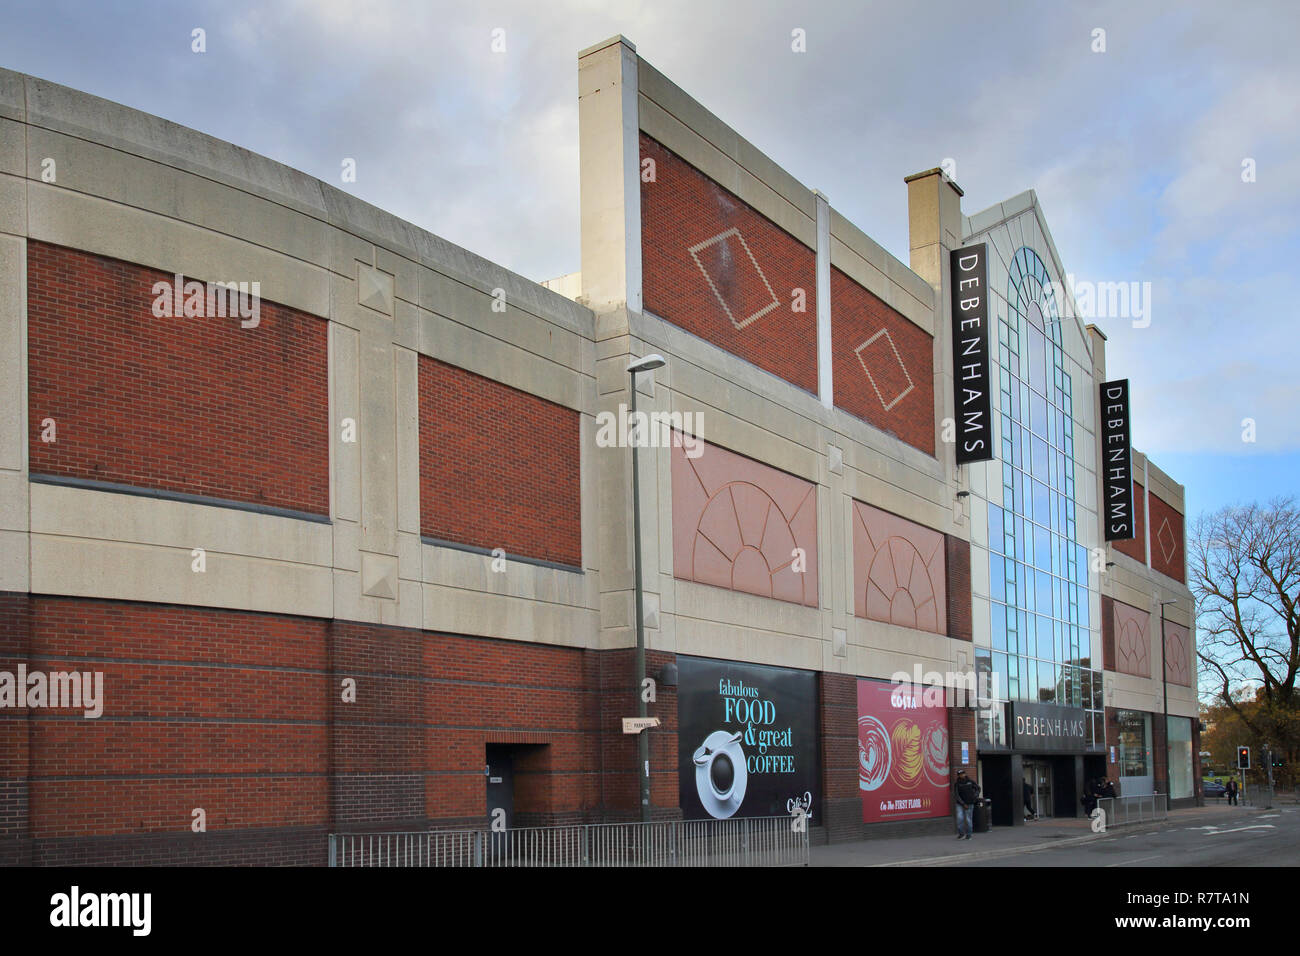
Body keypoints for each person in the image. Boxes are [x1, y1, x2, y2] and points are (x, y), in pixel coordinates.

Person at [953, 770, 978, 840]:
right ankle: (961, 834)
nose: (962, 775)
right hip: (960, 804)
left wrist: (974, 796)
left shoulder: (970, 781)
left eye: (963, 773)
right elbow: (956, 795)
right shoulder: (957, 784)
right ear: (958, 776)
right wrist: (963, 803)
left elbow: (978, 788)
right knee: (959, 818)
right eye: (960, 774)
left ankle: (969, 834)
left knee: (968, 819)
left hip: (970, 802)